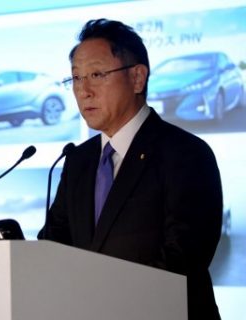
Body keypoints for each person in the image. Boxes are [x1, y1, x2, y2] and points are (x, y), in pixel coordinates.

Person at [38, 19, 222, 320]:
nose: (83, 91)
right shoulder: (77, 161)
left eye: (96, 74)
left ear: (137, 78)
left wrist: (106, 304)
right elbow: (56, 244)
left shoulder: (186, 153)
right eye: (75, 78)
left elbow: (183, 258)